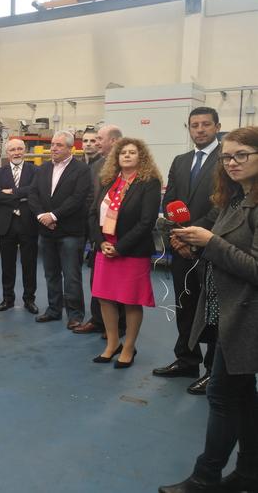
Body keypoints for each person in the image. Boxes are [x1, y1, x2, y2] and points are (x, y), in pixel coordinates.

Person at [159, 126, 258, 493]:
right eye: (227, 157)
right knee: (243, 396)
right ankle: (249, 474)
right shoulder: (233, 198)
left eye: (242, 155)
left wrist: (210, 243)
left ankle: (206, 477)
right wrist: (194, 246)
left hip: (246, 316)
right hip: (226, 309)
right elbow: (222, 249)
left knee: (221, 395)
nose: (232, 162)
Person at [154, 107, 221, 395]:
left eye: (206, 124)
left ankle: (212, 371)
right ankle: (186, 360)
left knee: (212, 313)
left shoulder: (226, 160)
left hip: (211, 247)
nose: (200, 130)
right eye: (195, 125)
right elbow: (170, 202)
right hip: (181, 248)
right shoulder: (181, 161)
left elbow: (222, 206)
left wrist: (193, 238)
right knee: (185, 306)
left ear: (217, 126)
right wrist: (176, 238)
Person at [89, 138, 162, 368]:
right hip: (105, 248)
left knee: (131, 301)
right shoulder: (108, 180)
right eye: (123, 153)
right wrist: (101, 243)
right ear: (116, 157)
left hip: (131, 251)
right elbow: (92, 214)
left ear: (141, 156)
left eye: (132, 152)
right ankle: (112, 344)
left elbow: (146, 221)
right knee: (105, 297)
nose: (127, 156)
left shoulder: (149, 182)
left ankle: (128, 347)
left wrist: (120, 248)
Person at [28, 130, 92, 328]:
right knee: (51, 273)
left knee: (71, 275)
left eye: (59, 145)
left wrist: (54, 216)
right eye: (52, 144)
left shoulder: (81, 170)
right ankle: (54, 309)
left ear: (71, 148)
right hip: (47, 231)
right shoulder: (43, 169)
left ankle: (75, 314)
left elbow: (78, 198)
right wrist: (42, 216)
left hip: (70, 232)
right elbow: (33, 194)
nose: (53, 148)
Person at [73, 124, 127, 337]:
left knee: (119, 281)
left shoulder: (125, 166)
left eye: (99, 139)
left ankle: (119, 325)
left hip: (119, 234)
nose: (94, 143)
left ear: (112, 141)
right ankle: (98, 320)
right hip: (99, 231)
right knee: (98, 279)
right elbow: (93, 199)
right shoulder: (98, 166)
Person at [0, 138, 39, 314]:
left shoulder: (35, 170)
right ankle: (7, 299)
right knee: (7, 265)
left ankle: (29, 300)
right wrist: (21, 195)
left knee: (29, 264)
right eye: (13, 150)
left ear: (24, 150)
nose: (17, 152)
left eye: (20, 149)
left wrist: (11, 192)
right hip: (7, 224)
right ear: (7, 153)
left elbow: (34, 190)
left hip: (28, 223)